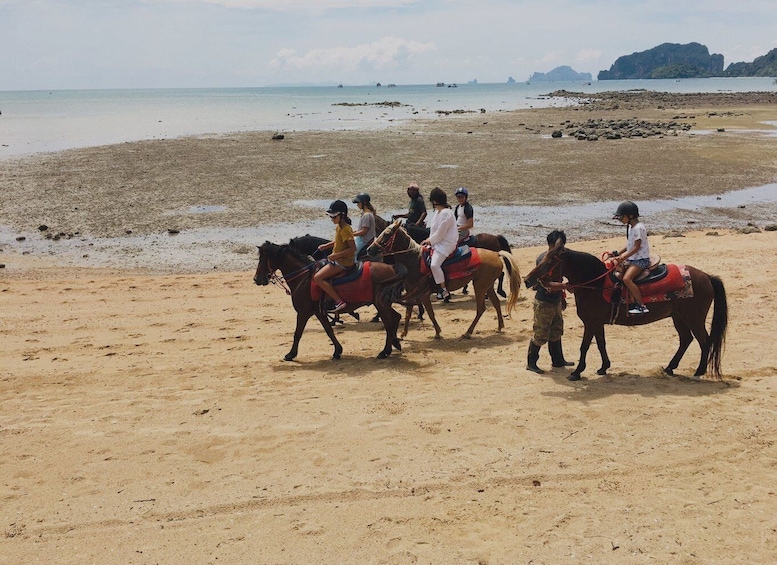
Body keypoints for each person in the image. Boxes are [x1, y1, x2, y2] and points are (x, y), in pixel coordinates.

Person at [527, 229, 575, 374]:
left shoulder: (558, 260)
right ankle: (531, 362)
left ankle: (557, 359)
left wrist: (562, 295)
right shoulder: (544, 260)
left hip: (555, 300)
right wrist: (564, 287)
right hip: (544, 301)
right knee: (540, 333)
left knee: (556, 331)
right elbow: (546, 284)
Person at [604, 201, 651, 315]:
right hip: (633, 258)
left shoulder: (638, 228)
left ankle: (641, 305)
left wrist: (623, 257)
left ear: (630, 216)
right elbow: (629, 245)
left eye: (622, 217)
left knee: (627, 279)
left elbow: (636, 247)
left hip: (640, 260)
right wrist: (617, 253)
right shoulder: (631, 227)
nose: (620, 219)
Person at [313, 200, 356, 314]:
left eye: (334, 216)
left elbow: (353, 249)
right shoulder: (339, 226)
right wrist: (326, 246)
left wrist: (336, 255)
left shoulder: (346, 229)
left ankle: (339, 301)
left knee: (318, 278)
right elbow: (338, 242)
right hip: (337, 259)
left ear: (342, 215)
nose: (332, 219)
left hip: (343, 262)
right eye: (331, 217)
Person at [421, 187, 458, 300]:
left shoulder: (446, 213)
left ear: (434, 201)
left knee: (434, 265)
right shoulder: (438, 212)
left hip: (446, 243)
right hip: (438, 242)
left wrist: (429, 241)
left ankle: (443, 289)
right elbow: (434, 231)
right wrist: (428, 241)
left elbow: (440, 233)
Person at [352, 192, 376, 260]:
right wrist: (355, 231)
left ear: (364, 203)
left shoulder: (367, 215)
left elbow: (364, 231)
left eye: (358, 203)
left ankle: (354, 265)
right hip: (361, 239)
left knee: (351, 253)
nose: (357, 205)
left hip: (364, 240)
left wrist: (352, 234)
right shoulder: (366, 213)